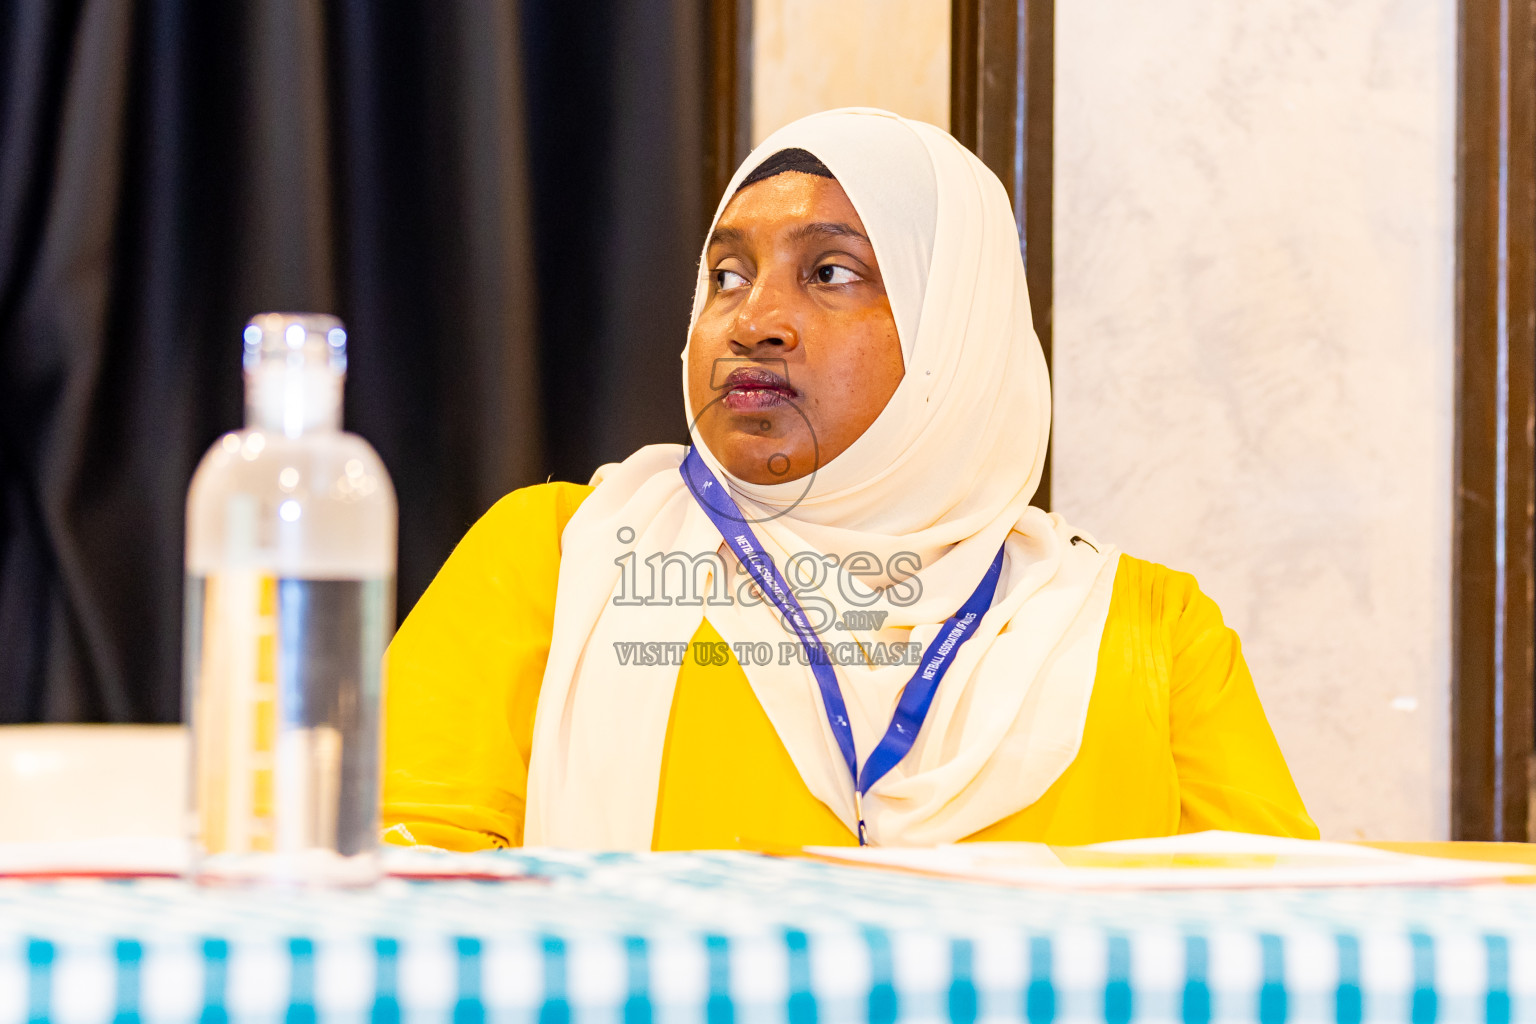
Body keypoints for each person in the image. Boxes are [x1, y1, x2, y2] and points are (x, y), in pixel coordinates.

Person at [381, 108, 1317, 851]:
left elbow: (1288, 952)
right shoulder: (558, 559)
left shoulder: (1148, 634)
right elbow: (391, 892)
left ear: (957, 331)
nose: (755, 320)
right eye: (726, 274)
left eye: (831, 272)